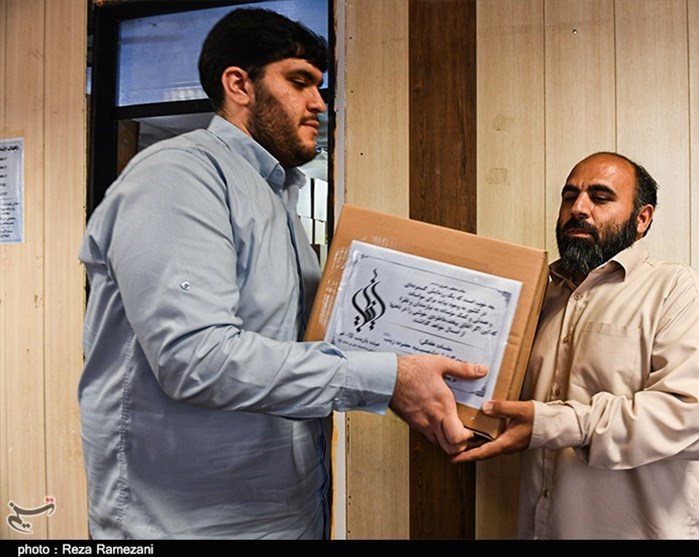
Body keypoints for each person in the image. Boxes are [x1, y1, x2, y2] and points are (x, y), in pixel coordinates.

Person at [78, 7, 485, 540]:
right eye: (299, 82)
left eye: (319, 86)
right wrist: (388, 378)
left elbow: (304, 345)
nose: (319, 103)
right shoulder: (178, 176)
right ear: (239, 85)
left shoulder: (277, 199)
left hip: (287, 512)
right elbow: (196, 359)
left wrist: (417, 369)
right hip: (185, 525)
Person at [453, 151, 699, 539]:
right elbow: (507, 399)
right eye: (570, 196)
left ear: (642, 219)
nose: (578, 209)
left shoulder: (678, 291)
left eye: (600, 198)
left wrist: (557, 424)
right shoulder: (539, 297)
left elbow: (695, 419)